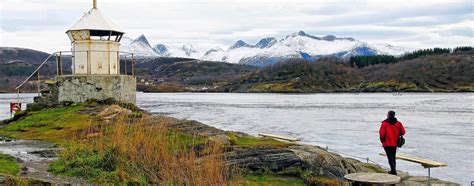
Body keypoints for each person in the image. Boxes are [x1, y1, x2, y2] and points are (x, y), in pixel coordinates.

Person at [379, 110, 405, 175]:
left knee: (390, 157)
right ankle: (393, 170)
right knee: (393, 157)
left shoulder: (384, 123)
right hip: (395, 143)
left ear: (388, 115)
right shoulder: (398, 123)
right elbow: (403, 132)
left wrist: (382, 141)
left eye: (387, 114)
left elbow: (381, 134)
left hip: (387, 143)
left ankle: (393, 171)